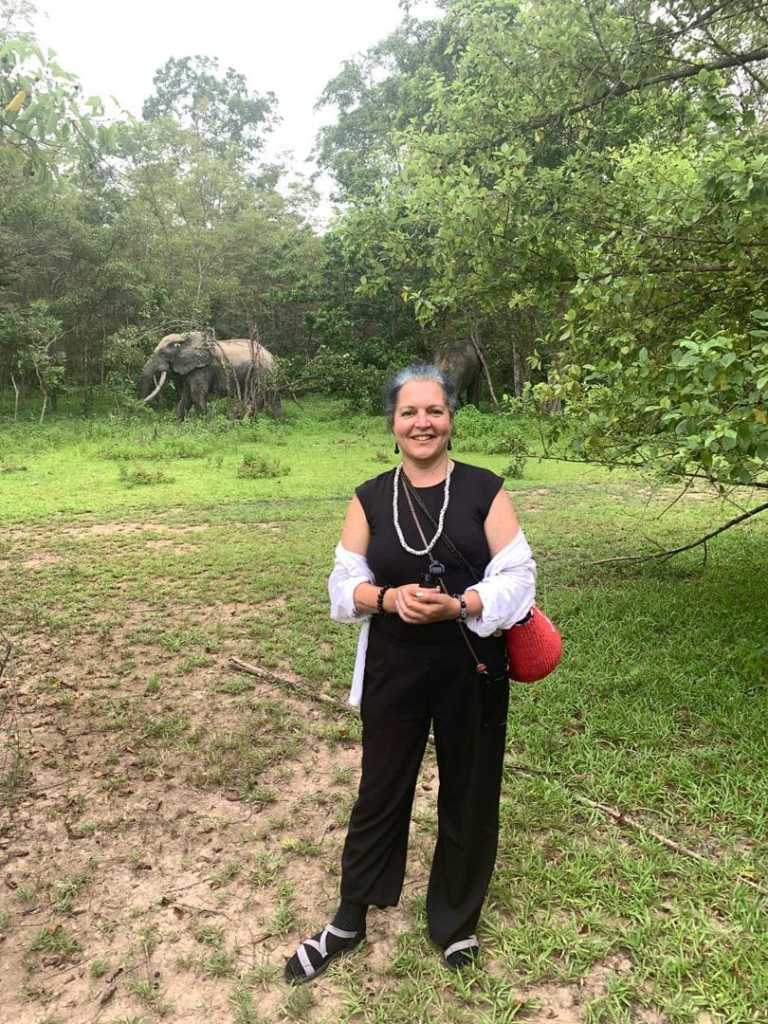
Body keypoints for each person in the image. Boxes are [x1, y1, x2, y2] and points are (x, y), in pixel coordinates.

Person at [284, 363, 537, 984]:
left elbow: (520, 577)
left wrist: (464, 604)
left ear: (451, 418)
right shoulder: (370, 497)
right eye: (409, 412)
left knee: (470, 791)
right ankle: (349, 919)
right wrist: (387, 598)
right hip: (394, 666)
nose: (422, 423)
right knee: (381, 789)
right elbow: (342, 584)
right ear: (392, 423)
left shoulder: (484, 490)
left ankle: (454, 921)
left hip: (472, 665)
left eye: (434, 411)